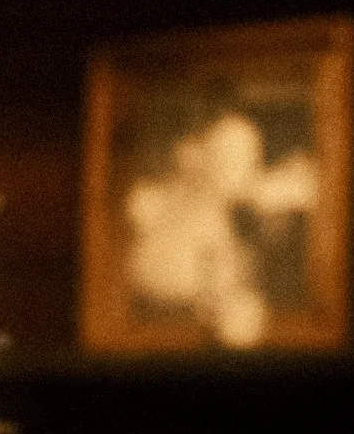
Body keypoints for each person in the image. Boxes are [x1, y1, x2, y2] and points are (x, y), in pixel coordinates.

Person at [122, 109, 316, 347]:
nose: (242, 169)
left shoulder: (172, 274)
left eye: (248, 159)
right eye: (229, 157)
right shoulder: (245, 221)